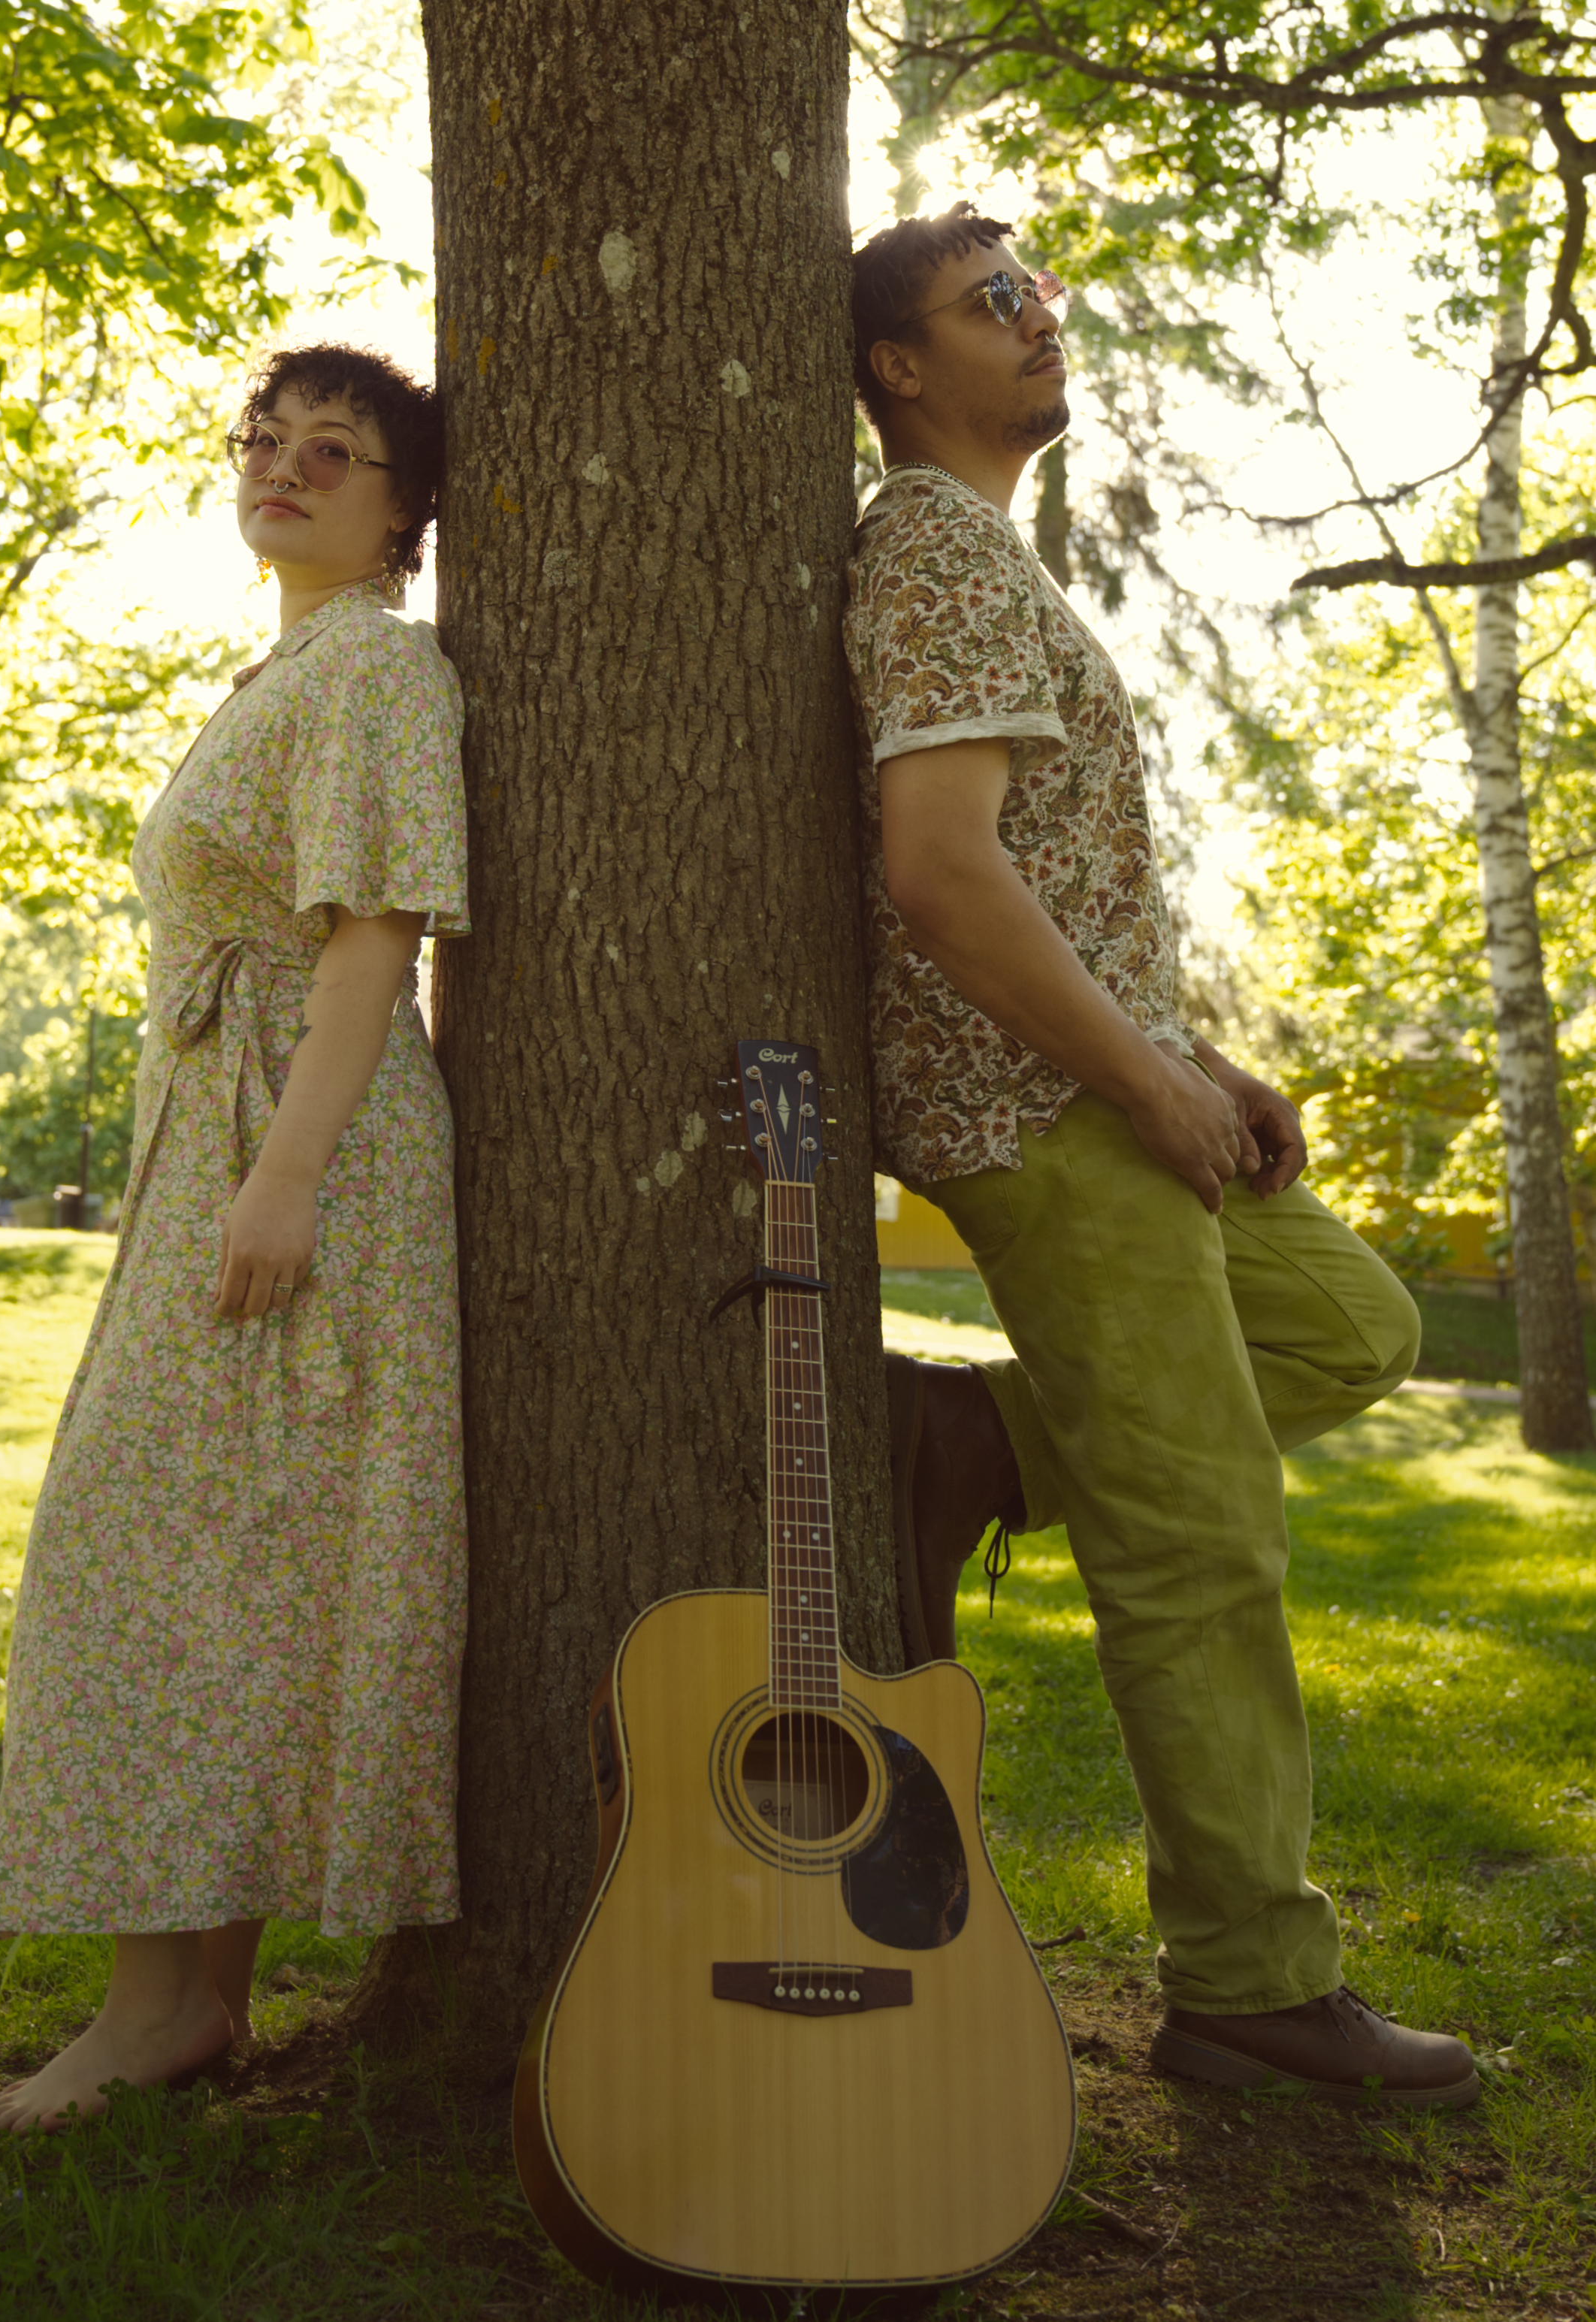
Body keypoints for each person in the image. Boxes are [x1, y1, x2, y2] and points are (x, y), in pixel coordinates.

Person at [847, 205, 1477, 2108]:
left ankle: (972, 1446)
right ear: (898, 366)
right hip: (1042, 1110)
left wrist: (1193, 1057)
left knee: (1354, 1326)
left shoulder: (990, 556)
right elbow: (939, 870)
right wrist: (1137, 1080)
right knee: (1198, 1537)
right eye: (993, 302)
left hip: (1112, 1080)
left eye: (1041, 292)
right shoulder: (931, 547)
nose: (1039, 319)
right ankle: (1250, 1988)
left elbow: (1037, 871)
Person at [0, 344, 468, 2133]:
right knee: (207, 1561)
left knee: (186, 1552)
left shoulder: (380, 664)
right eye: (270, 440)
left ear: (403, 513)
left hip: (300, 1142)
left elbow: (374, 938)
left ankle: (161, 2011)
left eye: (336, 450)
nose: (288, 466)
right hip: (221, 1138)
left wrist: (287, 1175)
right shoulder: (292, 669)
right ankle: (183, 2002)